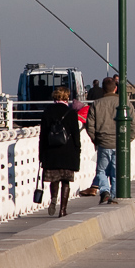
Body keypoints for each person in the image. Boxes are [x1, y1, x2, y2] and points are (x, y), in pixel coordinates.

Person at [84, 77, 135, 204]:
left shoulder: (96, 104)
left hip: (103, 142)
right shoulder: (125, 103)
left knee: (101, 170)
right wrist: (127, 140)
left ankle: (104, 191)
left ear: (103, 89)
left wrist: (95, 140)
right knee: (116, 172)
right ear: (116, 88)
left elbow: (90, 125)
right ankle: (113, 196)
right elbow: (133, 125)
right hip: (119, 143)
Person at [38, 86, 81, 217]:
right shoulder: (71, 113)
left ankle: (53, 199)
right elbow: (75, 134)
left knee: (54, 179)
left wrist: (41, 153)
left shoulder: (47, 112)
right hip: (67, 151)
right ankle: (63, 209)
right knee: (66, 181)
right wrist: (77, 149)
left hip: (51, 151)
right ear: (66, 97)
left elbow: (43, 135)